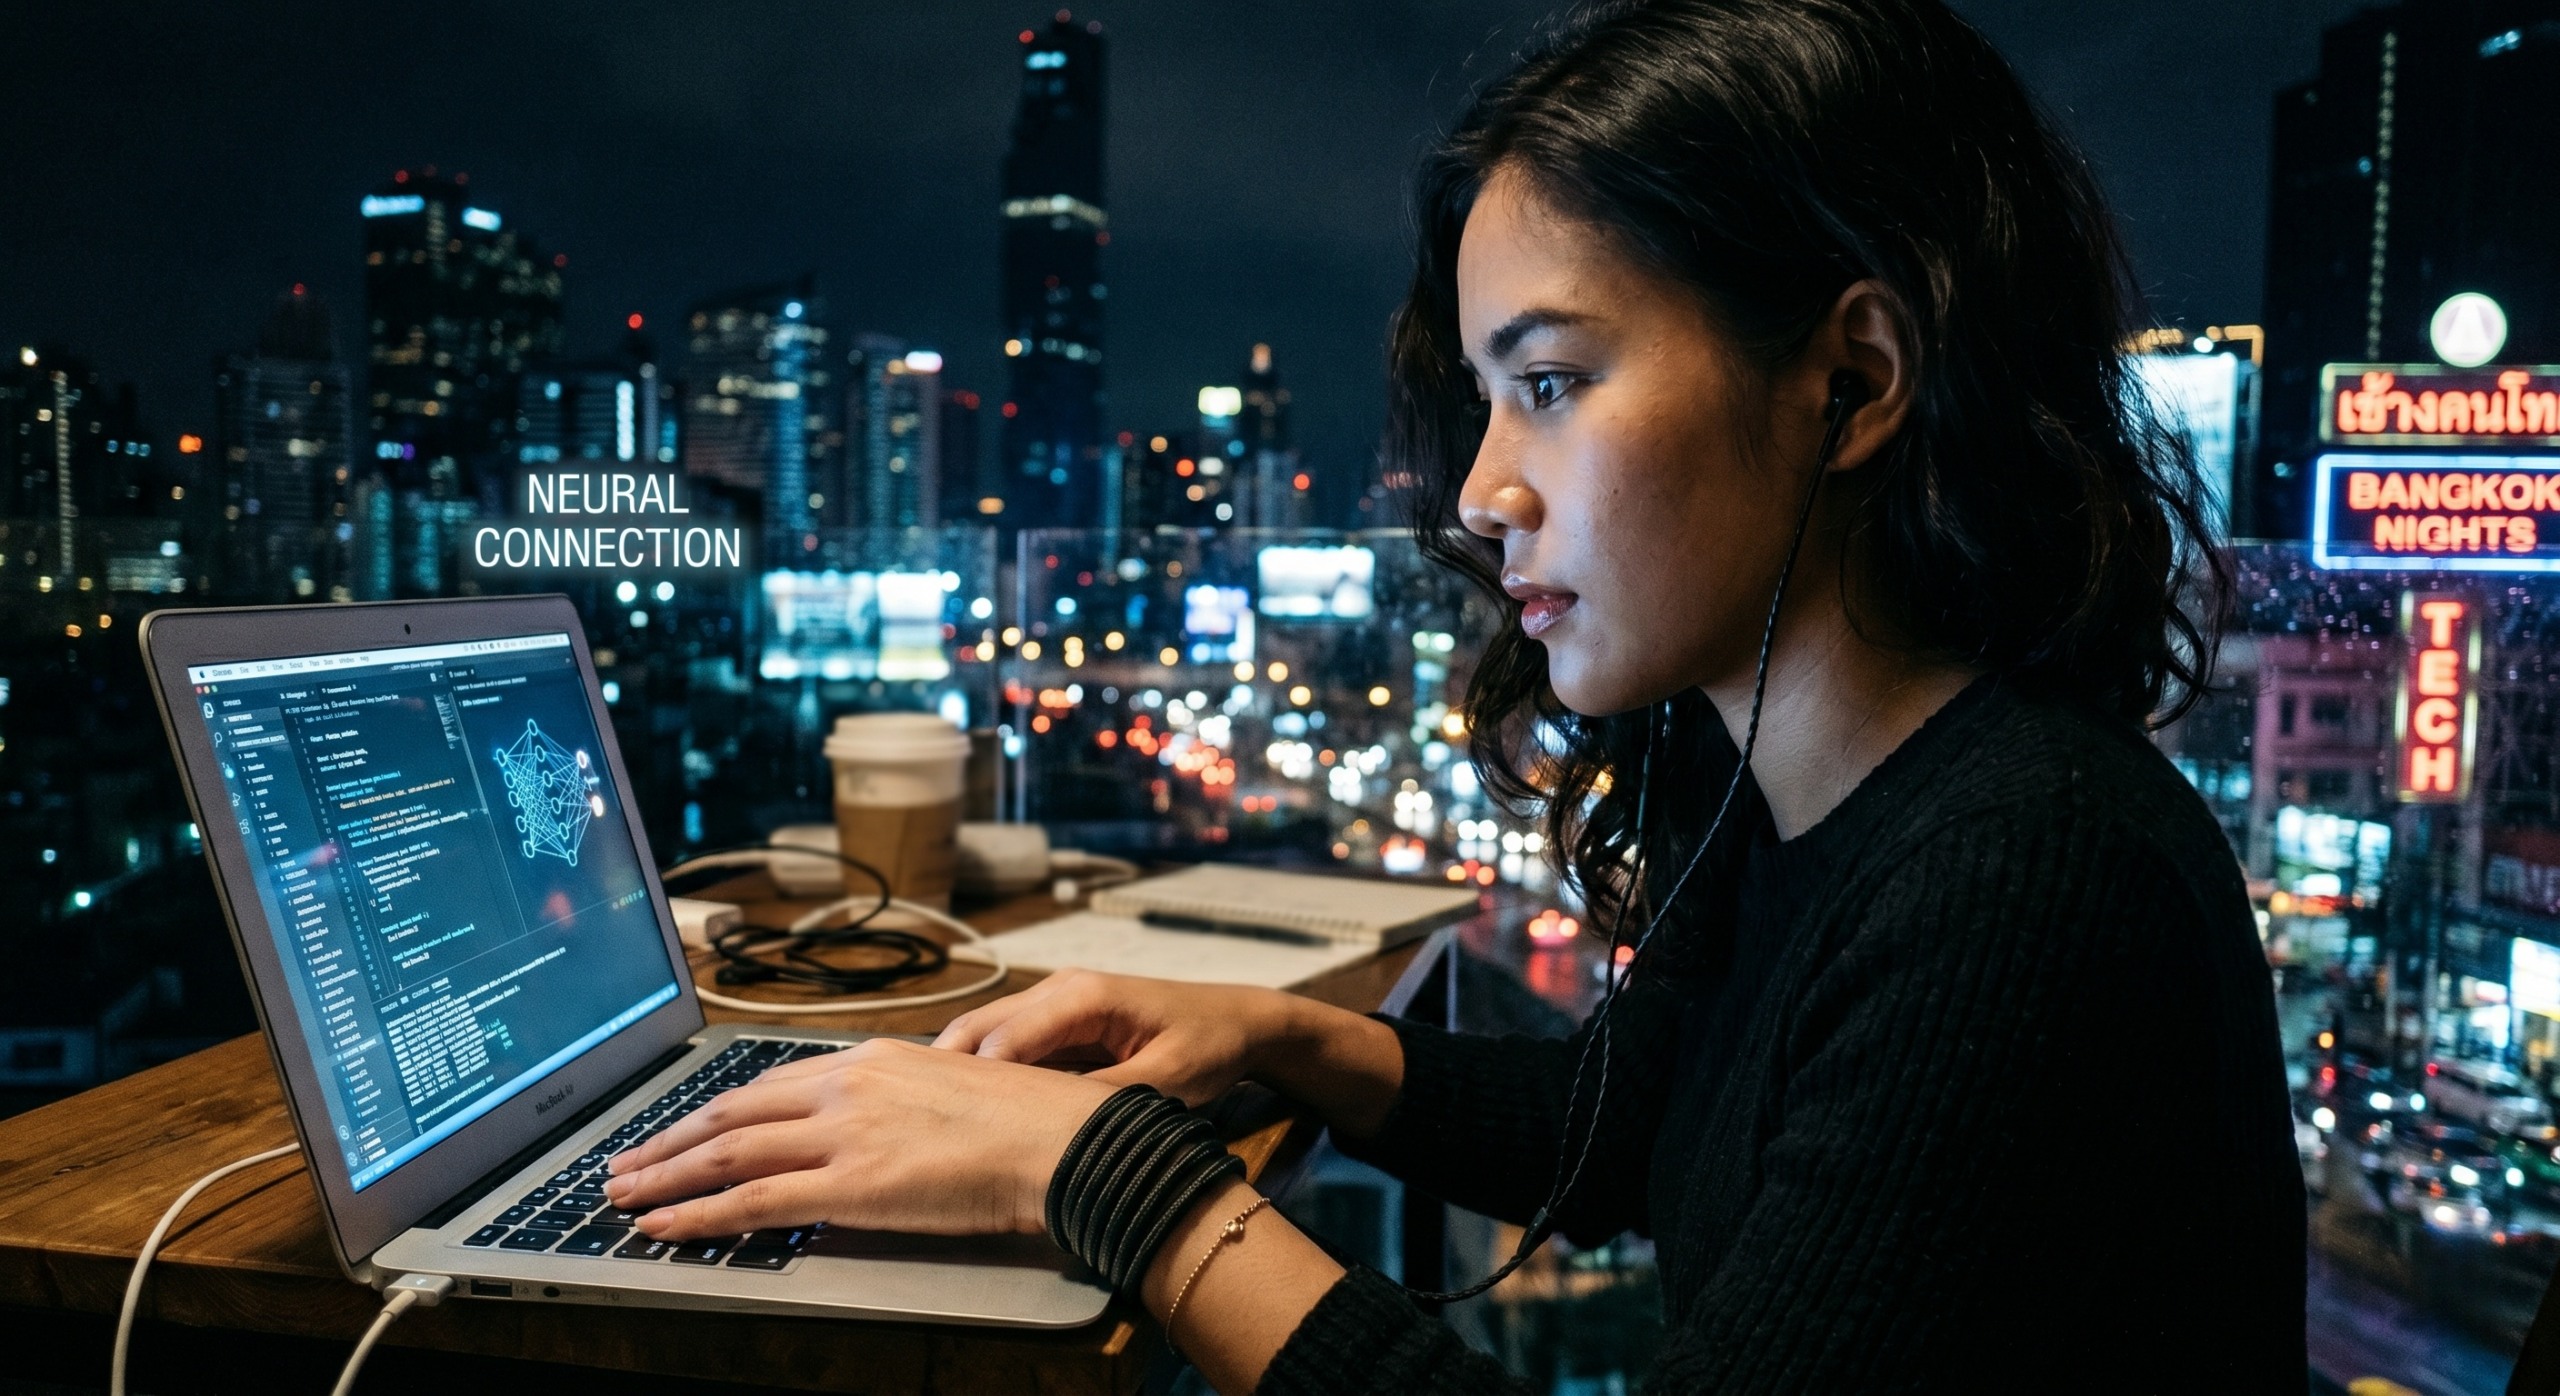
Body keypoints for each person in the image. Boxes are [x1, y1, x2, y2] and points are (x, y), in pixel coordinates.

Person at [605, 0, 2307, 1388]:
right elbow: (1633, 1128)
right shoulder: (1793, 794)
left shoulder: (2027, 876)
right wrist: (1282, 1039)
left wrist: (1089, 1175)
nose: (1486, 488)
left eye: (1552, 382)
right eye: (1490, 401)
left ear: (1850, 382)